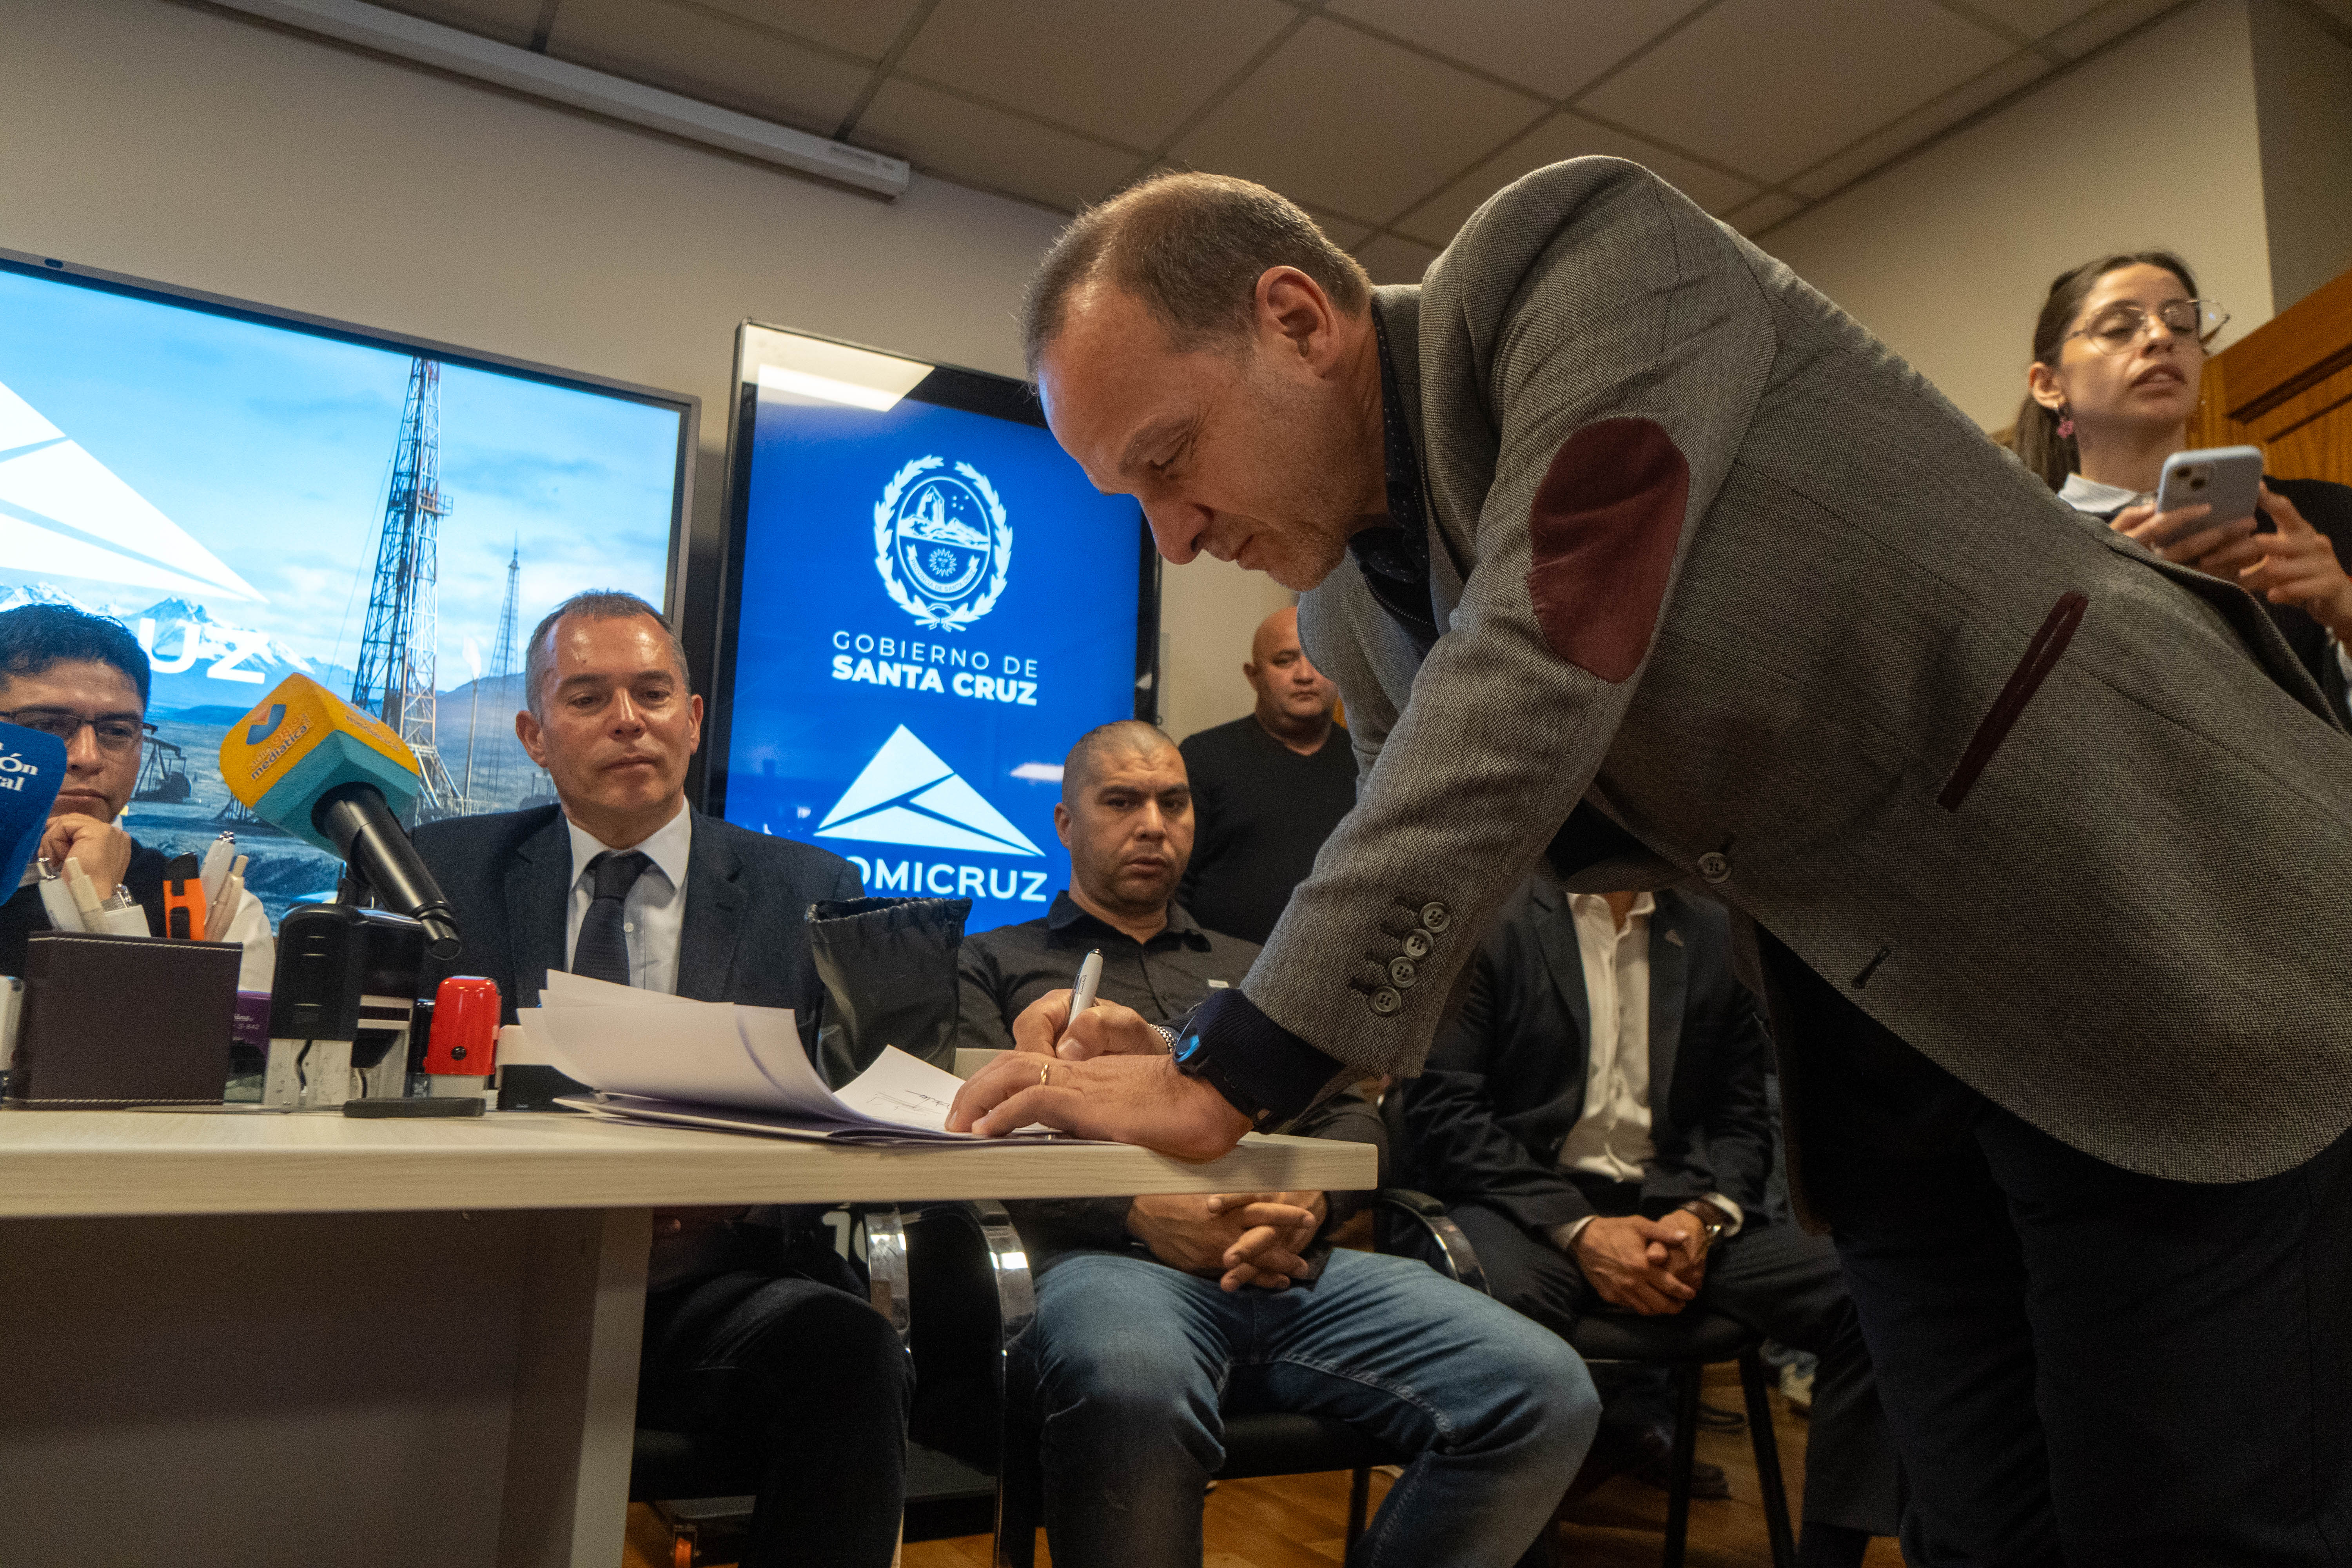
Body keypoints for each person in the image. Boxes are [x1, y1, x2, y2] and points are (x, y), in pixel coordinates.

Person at [948, 160, 2352, 1567]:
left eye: (1167, 459)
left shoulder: (1573, 254)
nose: (1175, 538)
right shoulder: (1343, 610)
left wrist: (1231, 1065)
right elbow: (1428, 895)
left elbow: (1548, 634)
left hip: (2148, 919)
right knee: (1979, 1526)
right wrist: (1205, 1039)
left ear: (1297, 320)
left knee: (2186, 1527)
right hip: (1880, 1037)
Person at [958, 719, 1599, 1568]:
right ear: (1065, 822)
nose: (1153, 824)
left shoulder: (1265, 969)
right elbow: (967, 1137)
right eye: (1122, 801)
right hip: (1107, 1265)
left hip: (1295, 1261)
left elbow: (1352, 1113)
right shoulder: (990, 963)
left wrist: (1312, 1201)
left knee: (1547, 1391)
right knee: (1133, 1385)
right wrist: (1136, 1212)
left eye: (1173, 802)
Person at [412, 591, 906, 1568]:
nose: (628, 719)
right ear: (535, 735)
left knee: (847, 1347)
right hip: (485, 1282)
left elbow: (866, 1107)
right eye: (587, 697)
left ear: (694, 717)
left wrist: (740, 1185)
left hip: (710, 1284)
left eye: (652, 692)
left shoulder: (809, 891)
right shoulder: (440, 874)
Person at [1393, 878, 1899, 1566]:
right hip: (1522, 1202)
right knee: (1503, 1305)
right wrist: (1581, 1230)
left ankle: (1828, 1557)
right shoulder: (1492, 920)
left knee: (1864, 1290)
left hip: (1672, 1206)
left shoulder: (1713, 930)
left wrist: (1706, 1215)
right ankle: (1517, 1552)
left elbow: (1742, 1118)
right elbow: (1445, 1112)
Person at [2013, 250, 2352, 721]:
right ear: (2049, 385)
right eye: (2119, 328)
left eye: (2181, 325)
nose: (2161, 337)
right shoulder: (2022, 551)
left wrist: (2347, 615)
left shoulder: (2325, 517)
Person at [0, 604, 273, 986]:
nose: (88, 757)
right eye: (47, 726)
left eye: (117, 731)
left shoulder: (212, 913)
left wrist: (103, 910)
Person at [1176, 605, 1357, 943]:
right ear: (1253, 676)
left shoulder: (1372, 762)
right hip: (1220, 967)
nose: (1305, 675)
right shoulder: (1203, 756)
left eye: (1319, 659)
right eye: (1285, 661)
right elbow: (1173, 882)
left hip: (1342, 963)